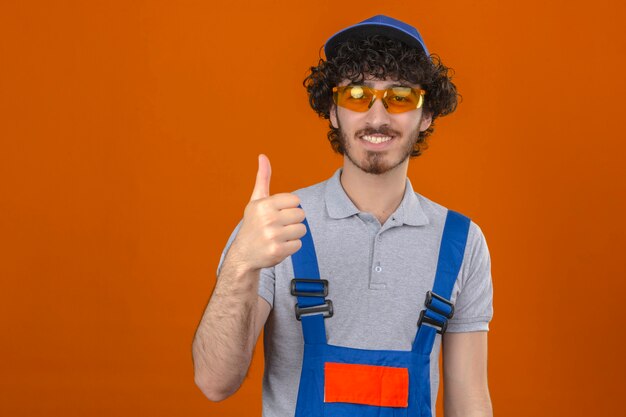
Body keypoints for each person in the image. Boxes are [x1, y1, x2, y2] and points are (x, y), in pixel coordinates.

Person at [192, 15, 494, 417]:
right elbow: (214, 383)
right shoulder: (275, 226)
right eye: (356, 95)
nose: (377, 117)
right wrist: (240, 264)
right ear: (333, 112)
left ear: (426, 116)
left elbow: (469, 401)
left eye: (400, 97)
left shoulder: (461, 242)